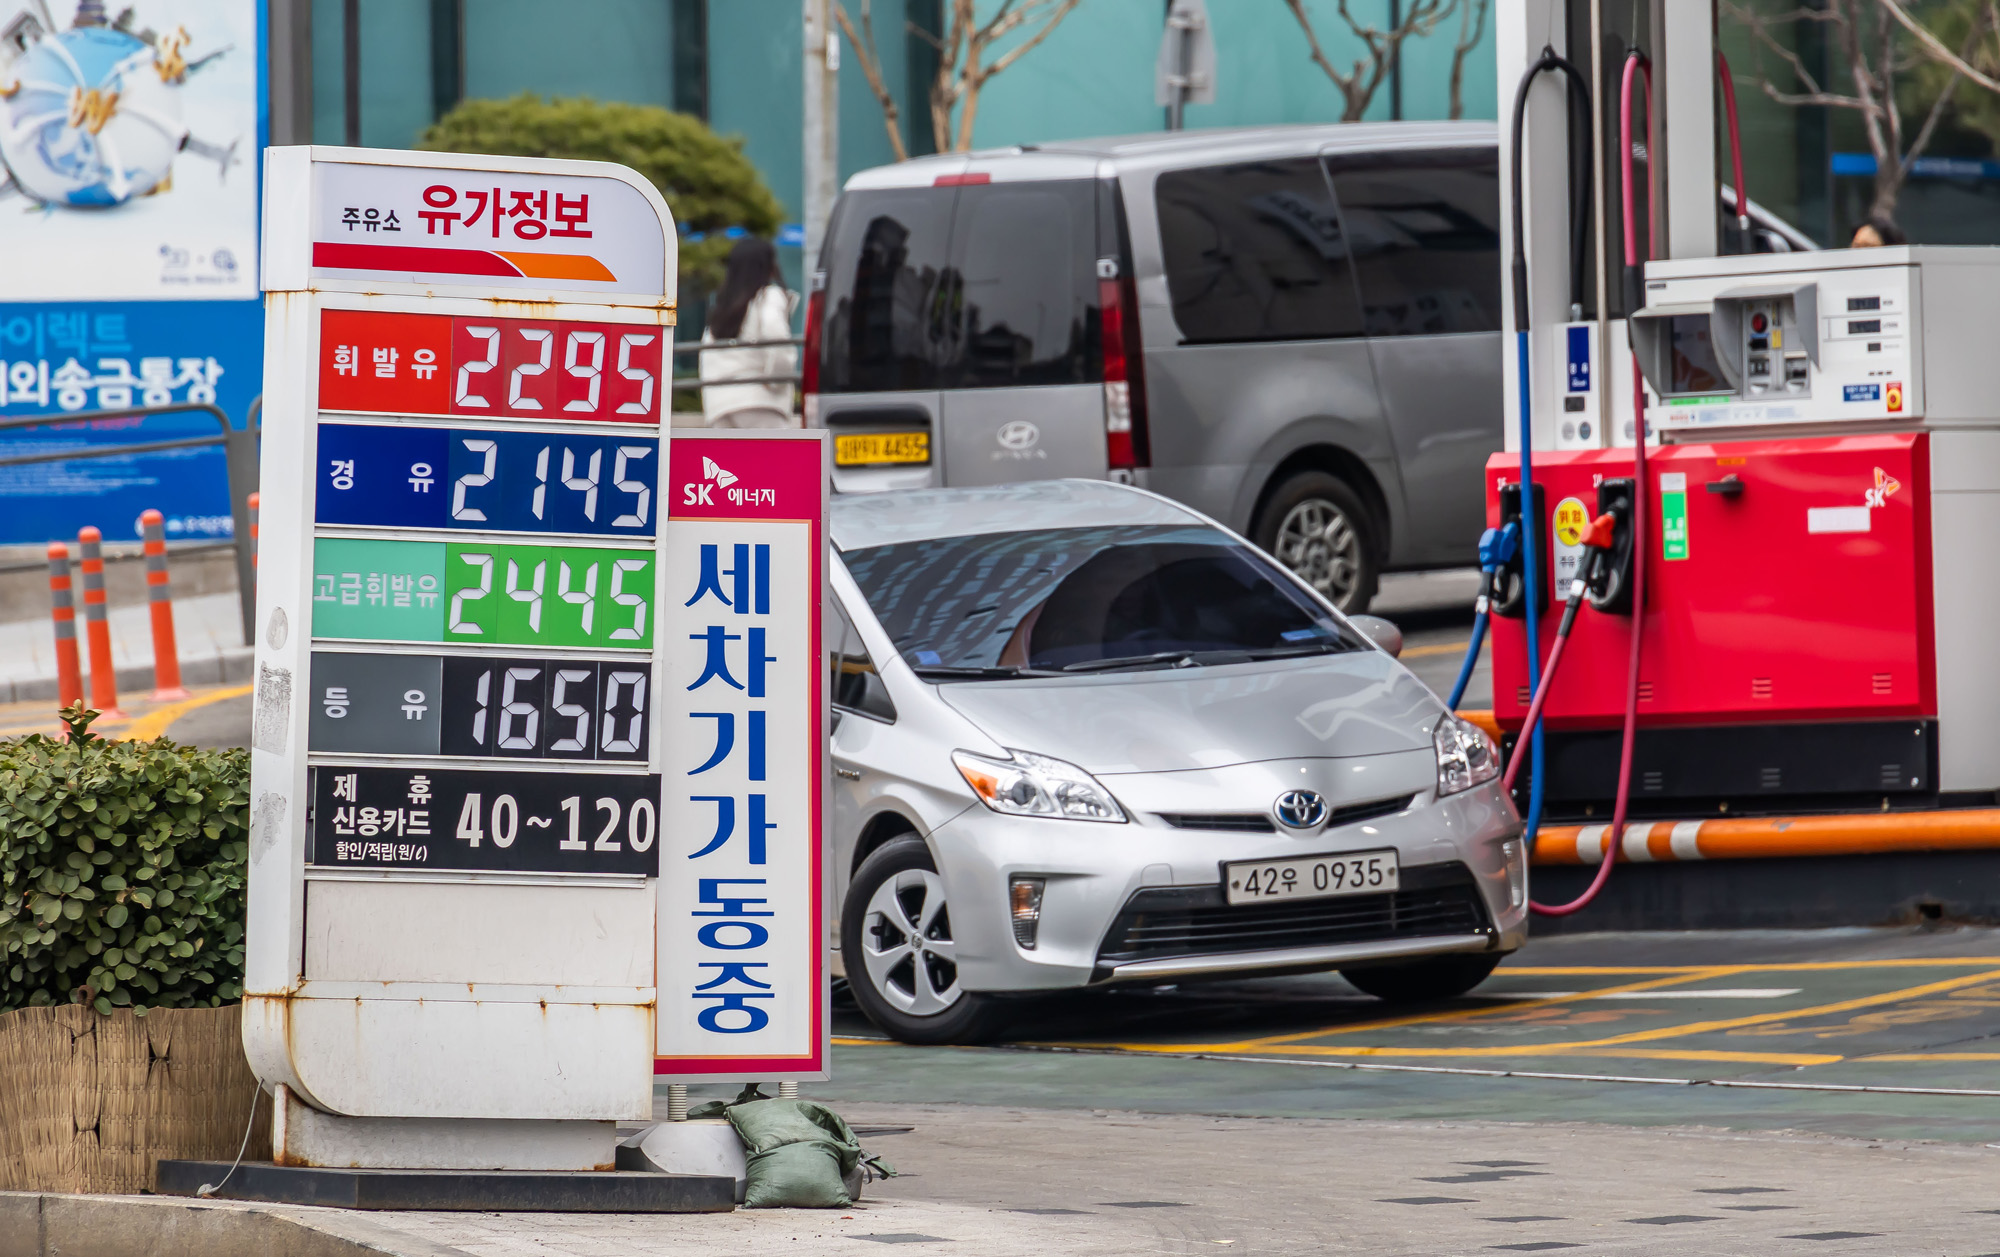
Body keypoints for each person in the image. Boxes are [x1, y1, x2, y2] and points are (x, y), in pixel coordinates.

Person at [699, 237, 799, 428]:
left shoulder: (722, 306)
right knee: (769, 458)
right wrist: (776, 382)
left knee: (729, 459)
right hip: (761, 401)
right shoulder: (768, 296)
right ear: (768, 266)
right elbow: (776, 336)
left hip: (719, 406)